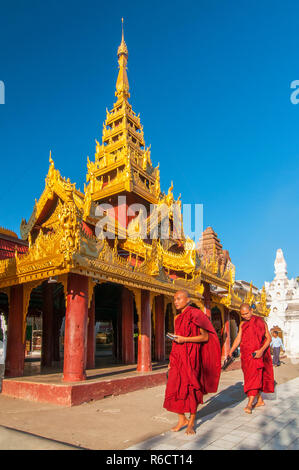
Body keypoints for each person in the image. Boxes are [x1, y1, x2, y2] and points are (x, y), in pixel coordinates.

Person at [163, 290, 221, 435]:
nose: (176, 301)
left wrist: (185, 339)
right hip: (178, 356)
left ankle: (192, 422)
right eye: (174, 299)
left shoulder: (196, 314)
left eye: (179, 299)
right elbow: (177, 340)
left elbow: (205, 337)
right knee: (174, 387)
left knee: (191, 388)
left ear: (187, 299)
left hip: (192, 356)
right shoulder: (177, 318)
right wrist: (171, 359)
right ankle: (181, 419)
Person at [228, 303, 274, 414]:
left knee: (254, 379)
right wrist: (230, 350)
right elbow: (238, 339)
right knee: (250, 379)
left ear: (251, 311)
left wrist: (261, 351)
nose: (245, 316)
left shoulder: (260, 322)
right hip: (246, 357)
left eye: (247, 313)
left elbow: (269, 339)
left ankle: (249, 404)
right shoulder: (243, 324)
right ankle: (260, 401)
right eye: (243, 314)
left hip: (256, 355)